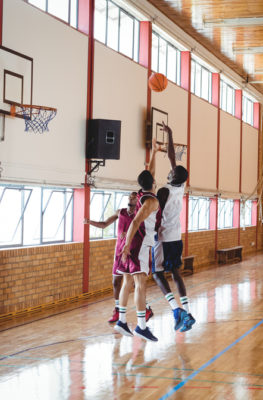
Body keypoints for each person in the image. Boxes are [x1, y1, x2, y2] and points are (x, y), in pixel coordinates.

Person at [115, 140, 162, 342]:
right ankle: (141, 326)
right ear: (152, 182)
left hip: (134, 242)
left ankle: (122, 320)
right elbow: (135, 222)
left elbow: (149, 172)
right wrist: (126, 245)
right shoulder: (150, 200)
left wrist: (154, 152)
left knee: (127, 282)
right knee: (140, 285)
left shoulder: (143, 192)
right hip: (139, 243)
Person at [151, 123, 195, 332]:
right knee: (176, 273)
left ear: (172, 177)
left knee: (158, 274)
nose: (169, 171)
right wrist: (170, 134)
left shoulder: (163, 191)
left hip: (164, 237)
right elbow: (172, 158)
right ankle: (187, 311)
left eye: (171, 172)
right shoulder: (181, 186)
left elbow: (155, 214)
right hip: (177, 235)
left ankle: (176, 310)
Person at [88, 192, 154, 324]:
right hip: (119, 250)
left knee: (137, 283)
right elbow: (104, 224)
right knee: (116, 282)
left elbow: (144, 229)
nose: (131, 198)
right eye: (130, 196)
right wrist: (89, 222)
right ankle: (118, 310)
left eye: (134, 197)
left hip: (134, 249)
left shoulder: (141, 214)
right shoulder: (120, 212)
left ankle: (145, 308)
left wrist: (129, 234)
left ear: (138, 200)